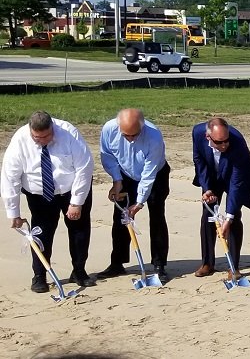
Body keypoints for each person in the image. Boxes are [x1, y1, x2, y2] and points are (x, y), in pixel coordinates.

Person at [1, 111, 95, 291]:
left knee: (79, 230)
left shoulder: (68, 133)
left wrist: (76, 202)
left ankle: (79, 271)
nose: (42, 140)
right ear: (30, 131)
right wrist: (13, 212)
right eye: (37, 138)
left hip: (71, 189)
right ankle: (39, 275)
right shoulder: (20, 140)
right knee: (41, 234)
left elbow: (85, 167)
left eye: (46, 136)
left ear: (53, 128)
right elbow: (10, 177)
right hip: (39, 194)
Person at [96, 109, 171, 281]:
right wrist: (117, 180)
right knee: (120, 218)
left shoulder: (154, 136)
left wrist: (139, 202)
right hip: (125, 175)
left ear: (142, 127)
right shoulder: (109, 129)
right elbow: (107, 155)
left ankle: (159, 265)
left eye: (134, 135)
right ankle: (117, 263)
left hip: (156, 175)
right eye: (126, 136)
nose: (130, 140)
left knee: (157, 216)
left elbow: (149, 173)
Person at [191, 117, 250, 279]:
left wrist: (228, 218)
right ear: (208, 137)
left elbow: (237, 182)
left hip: (235, 177)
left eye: (226, 141)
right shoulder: (197, 132)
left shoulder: (237, 141)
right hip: (212, 177)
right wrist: (207, 187)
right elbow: (199, 160)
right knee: (208, 215)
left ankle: (233, 266)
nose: (224, 145)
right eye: (219, 142)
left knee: (234, 216)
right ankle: (207, 263)